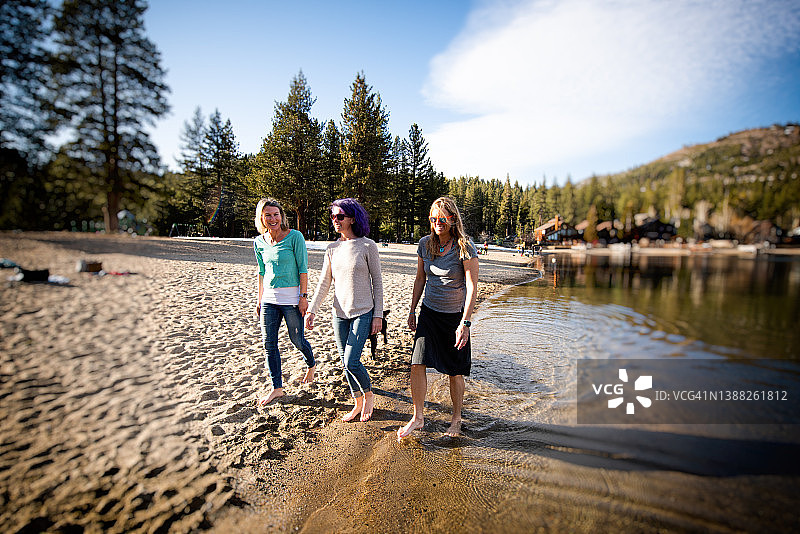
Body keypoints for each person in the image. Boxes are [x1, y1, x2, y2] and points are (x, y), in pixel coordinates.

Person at [398, 196, 479, 439]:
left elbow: (472, 286)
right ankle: (418, 417)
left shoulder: (465, 246)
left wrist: (465, 323)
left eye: (442, 218)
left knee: (455, 371)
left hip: (454, 317)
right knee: (416, 363)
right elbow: (420, 278)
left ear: (452, 219)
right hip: (429, 314)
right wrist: (412, 309)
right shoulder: (424, 244)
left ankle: (456, 419)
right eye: (433, 218)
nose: (437, 222)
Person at [306, 198, 384, 422]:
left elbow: (377, 282)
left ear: (352, 218)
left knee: (351, 361)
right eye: (333, 217)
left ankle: (368, 395)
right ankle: (357, 401)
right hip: (338, 314)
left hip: (363, 311)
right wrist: (312, 310)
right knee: (344, 362)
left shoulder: (368, 246)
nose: (335, 221)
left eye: (340, 216)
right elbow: (324, 282)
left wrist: (378, 315)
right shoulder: (332, 249)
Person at [253, 198, 315, 405]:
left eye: (276, 214)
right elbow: (262, 272)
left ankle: (311, 363)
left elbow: (303, 269)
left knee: (296, 340)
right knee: (268, 344)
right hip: (269, 299)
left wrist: (303, 298)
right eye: (268, 215)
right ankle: (277, 388)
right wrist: (260, 299)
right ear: (262, 218)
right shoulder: (259, 242)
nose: (273, 219)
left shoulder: (295, 237)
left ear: (282, 216)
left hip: (292, 299)